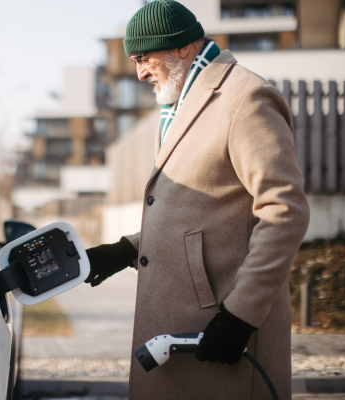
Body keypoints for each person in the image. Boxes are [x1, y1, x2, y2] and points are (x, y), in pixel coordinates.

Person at [84, 1, 310, 399]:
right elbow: (200, 213)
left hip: (221, 329)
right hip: (184, 327)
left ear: (182, 48)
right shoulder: (179, 104)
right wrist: (126, 251)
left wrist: (241, 315)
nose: (139, 73)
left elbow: (284, 212)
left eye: (143, 58)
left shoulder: (246, 98)